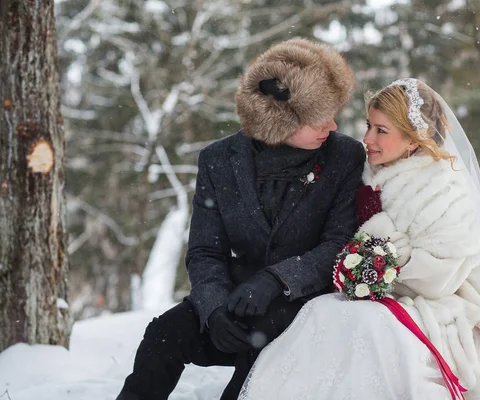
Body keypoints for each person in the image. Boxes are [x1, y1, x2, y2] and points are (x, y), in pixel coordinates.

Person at [238, 79, 480, 400]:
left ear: (414, 139)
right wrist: (364, 268)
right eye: (368, 126)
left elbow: (442, 274)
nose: (367, 139)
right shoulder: (368, 175)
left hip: (442, 304)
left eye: (381, 130)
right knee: (322, 311)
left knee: (368, 327)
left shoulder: (444, 189)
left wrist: (383, 264)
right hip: (381, 295)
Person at [115, 38, 365, 400]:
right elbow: (205, 251)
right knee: (162, 337)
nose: (332, 124)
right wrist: (213, 308)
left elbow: (338, 244)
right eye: (318, 116)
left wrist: (277, 279)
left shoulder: (344, 155)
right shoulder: (218, 160)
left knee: (255, 369)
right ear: (278, 118)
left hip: (305, 303)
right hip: (234, 300)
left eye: (333, 111)